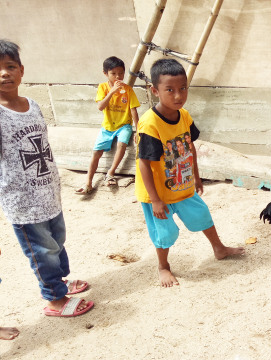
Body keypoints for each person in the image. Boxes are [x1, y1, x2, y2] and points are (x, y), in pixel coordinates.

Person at [0, 39, 93, 317]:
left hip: (48, 193)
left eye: (10, 66)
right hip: (24, 204)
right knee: (42, 251)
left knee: (57, 242)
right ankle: (54, 299)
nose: (4, 73)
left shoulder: (33, 105)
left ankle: (60, 282)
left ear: (22, 71)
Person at [135, 58, 244, 287]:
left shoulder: (184, 115)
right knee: (164, 233)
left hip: (182, 186)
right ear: (155, 91)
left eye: (183, 88)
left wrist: (195, 175)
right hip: (158, 193)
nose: (178, 95)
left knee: (202, 215)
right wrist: (155, 200)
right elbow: (144, 163)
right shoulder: (150, 125)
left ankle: (219, 248)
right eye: (170, 90)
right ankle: (163, 267)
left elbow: (190, 145)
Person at [75, 56, 140, 194]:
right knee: (96, 152)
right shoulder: (103, 87)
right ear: (106, 74)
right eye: (113, 73)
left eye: (121, 73)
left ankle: (111, 173)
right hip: (107, 127)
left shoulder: (128, 90)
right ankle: (88, 182)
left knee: (122, 144)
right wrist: (112, 92)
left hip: (124, 125)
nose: (118, 76)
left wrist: (138, 129)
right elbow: (100, 107)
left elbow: (133, 110)